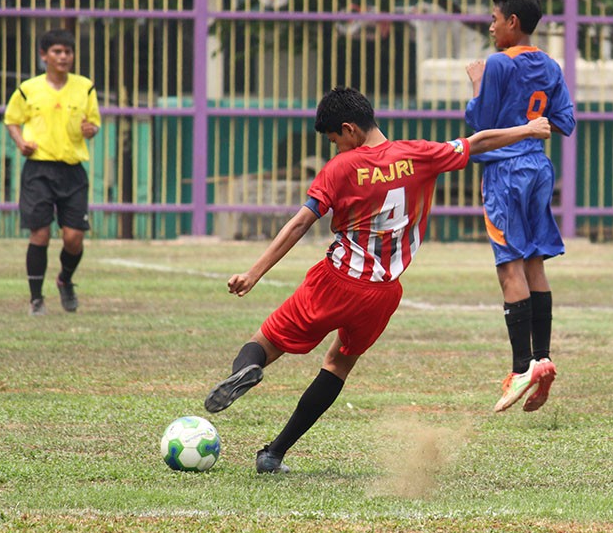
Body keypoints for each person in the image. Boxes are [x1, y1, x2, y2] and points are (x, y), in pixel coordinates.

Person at [203, 86, 551, 473]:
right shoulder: (419, 155)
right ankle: (274, 454)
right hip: (383, 294)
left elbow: (302, 221)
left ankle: (244, 372)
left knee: (264, 342)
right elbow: (479, 141)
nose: (336, 149)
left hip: (336, 280)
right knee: (337, 365)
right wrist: (529, 129)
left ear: (350, 129)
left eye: (335, 140)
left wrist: (254, 273)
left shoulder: (341, 168)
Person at [464, 0, 576, 414]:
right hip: (538, 169)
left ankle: (519, 367)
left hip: (505, 172)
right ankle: (542, 358)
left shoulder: (496, 64)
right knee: (534, 263)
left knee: (509, 265)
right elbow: (563, 121)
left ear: (513, 21)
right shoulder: (549, 64)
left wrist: (477, 85)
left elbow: (481, 125)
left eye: (494, 18)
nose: (490, 25)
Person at [4, 28, 101, 315]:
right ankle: (36, 299)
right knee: (40, 234)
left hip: (72, 170)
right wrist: (21, 142)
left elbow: (93, 124)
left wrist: (90, 130)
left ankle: (65, 280)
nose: (63, 57)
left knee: (73, 237)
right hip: (39, 170)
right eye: (57, 52)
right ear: (44, 55)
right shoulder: (28, 89)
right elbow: (11, 119)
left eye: (67, 52)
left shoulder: (85, 87)